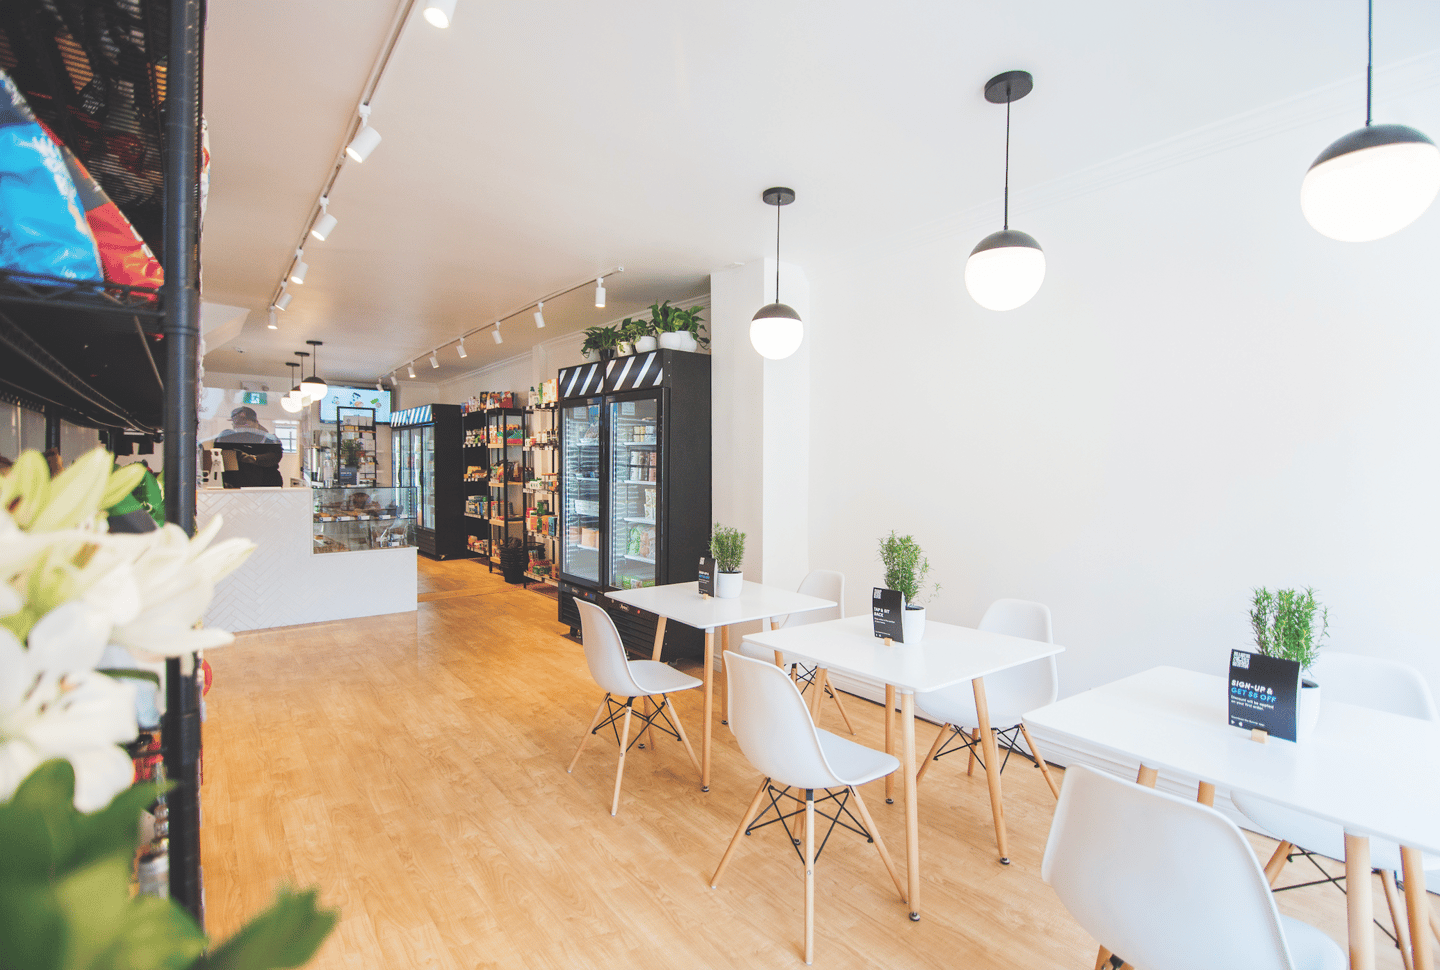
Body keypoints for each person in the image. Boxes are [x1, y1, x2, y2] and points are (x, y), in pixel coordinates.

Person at [208, 406, 283, 488]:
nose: (237, 426)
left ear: (254, 422)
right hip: (235, 486)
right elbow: (218, 457)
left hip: (266, 486)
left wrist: (251, 458)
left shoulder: (269, 438)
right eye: (235, 423)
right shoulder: (226, 437)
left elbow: (275, 457)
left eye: (242, 422)